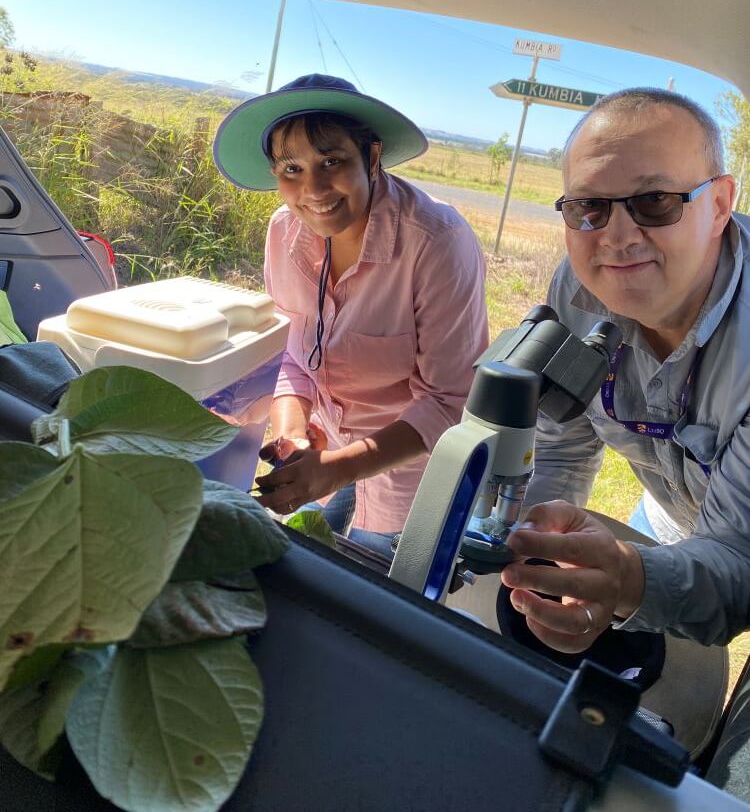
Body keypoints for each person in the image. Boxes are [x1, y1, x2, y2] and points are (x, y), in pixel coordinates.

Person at [500, 87, 749, 654]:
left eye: (654, 201)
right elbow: (563, 439)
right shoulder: (577, 286)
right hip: (669, 514)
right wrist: (537, 550)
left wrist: (629, 582)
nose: (614, 236)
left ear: (719, 205)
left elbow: (739, 560)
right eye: (588, 207)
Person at [213, 73, 489, 556]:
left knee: (378, 585)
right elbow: (294, 355)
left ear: (373, 157)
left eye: (332, 161)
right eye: (291, 169)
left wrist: (341, 467)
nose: (313, 189)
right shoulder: (284, 232)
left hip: (412, 469)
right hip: (325, 449)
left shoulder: (436, 241)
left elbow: (449, 402)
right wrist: (292, 430)